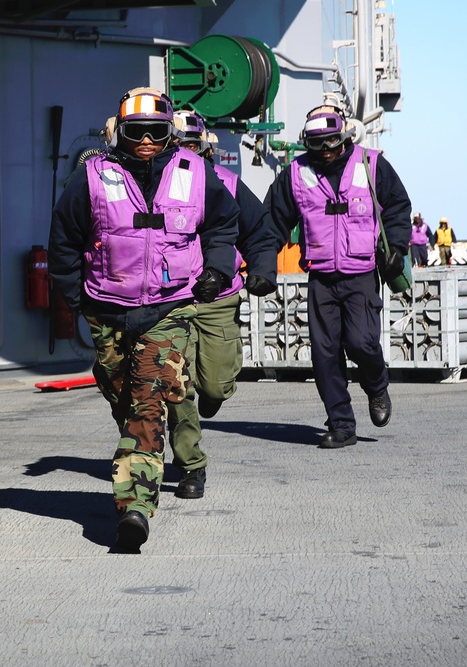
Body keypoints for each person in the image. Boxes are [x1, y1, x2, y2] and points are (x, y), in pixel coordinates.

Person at [48, 87, 238, 551]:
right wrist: (74, 299)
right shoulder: (91, 176)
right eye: (138, 132)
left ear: (170, 133)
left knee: (149, 402)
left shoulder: (196, 174)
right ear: (120, 133)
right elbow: (64, 240)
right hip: (106, 308)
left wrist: (216, 268)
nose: (148, 141)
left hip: (168, 308)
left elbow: (222, 225)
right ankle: (146, 458)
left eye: (157, 131)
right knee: (122, 396)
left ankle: (135, 506)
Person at [267, 104, 411, 449]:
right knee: (324, 353)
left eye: (332, 140)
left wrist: (398, 248)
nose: (327, 149)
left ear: (344, 136)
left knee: (361, 342)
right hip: (320, 277)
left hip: (361, 273)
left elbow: (397, 207)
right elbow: (272, 221)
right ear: (308, 143)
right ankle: (342, 423)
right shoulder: (296, 173)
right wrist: (261, 265)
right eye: (318, 144)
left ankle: (377, 387)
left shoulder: (371, 164)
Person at [166, 110, 279, 499]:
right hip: (172, 300)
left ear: (206, 147)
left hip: (219, 297)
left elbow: (261, 232)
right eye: (177, 145)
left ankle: (214, 390)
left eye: (192, 146)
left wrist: (263, 270)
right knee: (178, 388)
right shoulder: (154, 185)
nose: (186, 153)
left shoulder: (228, 184)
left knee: (213, 386)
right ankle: (190, 466)